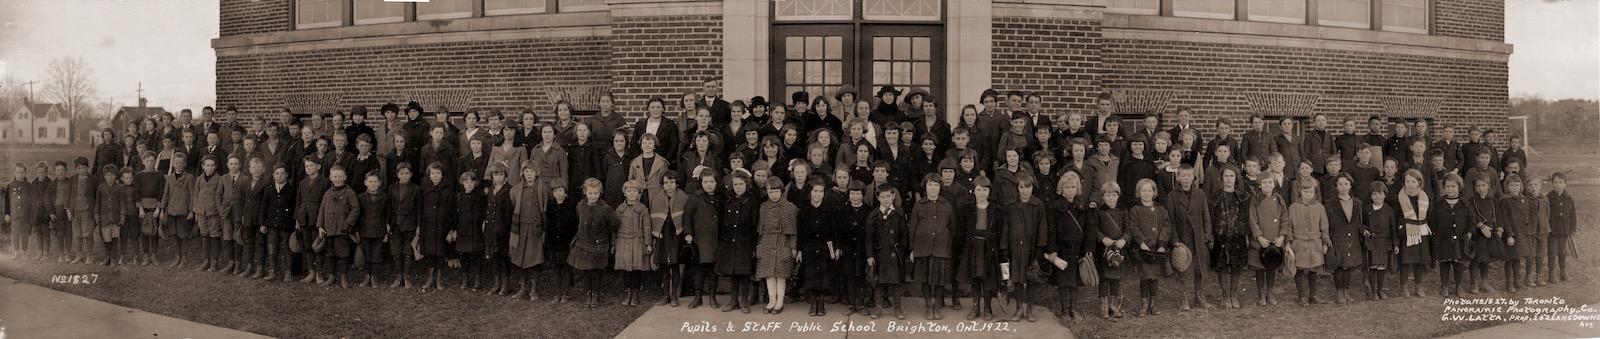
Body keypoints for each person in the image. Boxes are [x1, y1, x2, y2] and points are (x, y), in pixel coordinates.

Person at [1002, 174, 1049, 322]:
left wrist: (1040, 248)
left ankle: (1029, 309)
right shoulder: (1011, 205)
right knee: (1016, 278)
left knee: (1030, 278)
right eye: (1021, 187)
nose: (1025, 190)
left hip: (1031, 247)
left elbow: (1043, 227)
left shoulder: (1038, 205)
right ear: (1017, 188)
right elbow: (1006, 227)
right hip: (1015, 247)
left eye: (1028, 187)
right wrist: (1004, 247)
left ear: (1032, 187)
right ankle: (1018, 309)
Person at [910, 173, 955, 320]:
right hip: (923, 247)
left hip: (941, 248)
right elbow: (913, 228)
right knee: (925, 278)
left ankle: (937, 305)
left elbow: (952, 227)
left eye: (936, 185)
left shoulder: (947, 205)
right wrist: (912, 249)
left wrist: (948, 244)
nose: (933, 188)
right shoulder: (918, 205)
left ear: (940, 187)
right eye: (930, 185)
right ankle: (928, 305)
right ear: (925, 187)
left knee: (939, 279)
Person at [955, 176, 1001, 321]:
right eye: (979, 190)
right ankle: (975, 307)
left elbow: (999, 230)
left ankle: (987, 307)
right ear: (973, 191)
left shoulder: (996, 209)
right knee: (975, 277)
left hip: (988, 247)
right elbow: (961, 230)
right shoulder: (967, 208)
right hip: (973, 246)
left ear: (989, 191)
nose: (982, 193)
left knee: (987, 278)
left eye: (985, 190)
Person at [570, 178, 617, 308]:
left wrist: (605, 237)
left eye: (596, 193)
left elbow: (613, 224)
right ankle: (588, 294)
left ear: (600, 193)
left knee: (596, 271)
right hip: (584, 243)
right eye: (590, 193)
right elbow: (579, 220)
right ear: (585, 192)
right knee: (586, 271)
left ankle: (595, 295)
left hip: (599, 245)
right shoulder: (580, 206)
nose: (593, 196)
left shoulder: (606, 209)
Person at [1208, 165, 1250, 308]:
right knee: (1222, 266)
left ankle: (1233, 295)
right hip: (1221, 237)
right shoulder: (1215, 197)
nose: (1229, 179)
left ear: (1236, 178)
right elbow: (1212, 217)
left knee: (1236, 266)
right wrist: (1214, 235)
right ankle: (1225, 295)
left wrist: (1244, 234)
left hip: (1238, 236)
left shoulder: (1243, 196)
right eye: (1226, 176)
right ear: (1221, 178)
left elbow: (1245, 217)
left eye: (1232, 176)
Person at [717, 172, 760, 313]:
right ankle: (733, 300)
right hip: (730, 241)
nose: (738, 187)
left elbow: (755, 226)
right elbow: (722, 222)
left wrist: (754, 245)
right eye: (735, 184)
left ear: (746, 185)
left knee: (744, 272)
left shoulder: (752, 201)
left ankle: (744, 301)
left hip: (745, 242)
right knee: (733, 272)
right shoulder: (728, 200)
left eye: (741, 184)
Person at [755, 177, 798, 314]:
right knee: (769, 274)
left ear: (781, 191)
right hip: (767, 242)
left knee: (781, 274)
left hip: (783, 243)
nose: (773, 195)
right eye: (770, 192)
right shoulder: (763, 207)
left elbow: (793, 231)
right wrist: (759, 245)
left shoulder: (790, 208)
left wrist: (793, 247)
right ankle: (772, 300)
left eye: (776, 191)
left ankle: (780, 301)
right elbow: (760, 228)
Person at [681, 171, 721, 309]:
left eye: (712, 182)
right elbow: (687, 216)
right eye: (705, 182)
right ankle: (697, 297)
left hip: (716, 239)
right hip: (700, 239)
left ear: (716, 183)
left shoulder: (720, 198)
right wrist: (688, 233)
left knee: (713, 270)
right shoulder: (695, 198)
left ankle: (712, 296)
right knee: (699, 269)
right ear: (701, 183)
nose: (709, 185)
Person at [508, 160, 547, 299]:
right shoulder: (516, 190)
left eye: (532, 171)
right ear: (522, 173)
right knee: (520, 259)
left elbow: (545, 208)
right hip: (520, 229)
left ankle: (533, 290)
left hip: (535, 230)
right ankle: (523, 288)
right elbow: (513, 205)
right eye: (526, 171)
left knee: (534, 260)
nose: (529, 174)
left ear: (537, 173)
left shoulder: (542, 189)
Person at [1286, 180, 1329, 307]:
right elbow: (1288, 226)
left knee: (1313, 270)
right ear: (1300, 192)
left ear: (1314, 193)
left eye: (1311, 192)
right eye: (1305, 192)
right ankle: (1302, 296)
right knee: (1298, 269)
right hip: (1298, 243)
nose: (1308, 194)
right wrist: (1288, 242)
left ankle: (1313, 294)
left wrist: (1325, 242)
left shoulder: (1320, 207)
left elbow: (1324, 226)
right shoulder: (1293, 207)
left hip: (1315, 243)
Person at [1323, 173, 1365, 304]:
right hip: (1337, 237)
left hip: (1352, 238)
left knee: (1348, 265)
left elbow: (1359, 222)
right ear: (1336, 186)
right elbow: (1327, 223)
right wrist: (1327, 241)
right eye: (1340, 184)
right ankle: (1339, 292)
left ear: (1350, 185)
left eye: (1346, 184)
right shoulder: (1330, 203)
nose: (1343, 187)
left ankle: (1346, 291)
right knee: (1338, 265)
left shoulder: (1357, 203)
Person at [614, 180, 656, 306]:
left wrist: (648, 243)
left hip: (638, 241)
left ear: (639, 193)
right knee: (626, 269)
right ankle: (628, 292)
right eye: (629, 191)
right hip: (623, 241)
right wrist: (613, 243)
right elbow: (614, 227)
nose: (631, 193)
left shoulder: (642, 209)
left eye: (634, 191)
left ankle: (636, 293)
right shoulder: (620, 209)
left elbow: (647, 227)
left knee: (637, 268)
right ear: (625, 193)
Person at [317, 166, 360, 288]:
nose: (337, 179)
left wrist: (347, 223)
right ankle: (331, 277)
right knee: (330, 253)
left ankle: (343, 277)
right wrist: (320, 226)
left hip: (342, 229)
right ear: (330, 177)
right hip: (328, 228)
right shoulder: (327, 193)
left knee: (343, 253)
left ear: (345, 177)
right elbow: (322, 209)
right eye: (335, 177)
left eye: (340, 176)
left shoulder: (349, 192)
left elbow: (355, 209)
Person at [1430, 173, 1470, 298]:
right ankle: (1444, 286)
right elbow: (1433, 221)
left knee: (1458, 263)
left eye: (1453, 187)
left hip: (1459, 239)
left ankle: (1459, 286)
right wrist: (1436, 235)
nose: (1450, 189)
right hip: (1443, 239)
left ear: (1459, 187)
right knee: (1445, 263)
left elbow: (1471, 221)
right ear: (1444, 188)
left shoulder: (1465, 203)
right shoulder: (1439, 203)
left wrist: (1469, 233)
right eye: (1447, 187)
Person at [417, 163, 456, 291]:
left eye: (438, 173)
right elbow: (420, 209)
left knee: (439, 252)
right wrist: (419, 225)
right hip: (428, 225)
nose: (435, 176)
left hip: (442, 226)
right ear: (429, 175)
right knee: (429, 252)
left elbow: (452, 211)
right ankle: (430, 278)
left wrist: (451, 229)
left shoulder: (448, 189)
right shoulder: (424, 189)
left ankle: (439, 278)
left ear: (442, 175)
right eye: (433, 173)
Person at [1249, 176, 1287, 306]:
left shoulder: (1279, 200)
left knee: (1272, 267)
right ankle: (1261, 294)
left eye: (1270, 182)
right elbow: (1253, 220)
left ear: (1274, 184)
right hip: (1260, 242)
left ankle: (1270, 293)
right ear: (1260, 185)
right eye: (1264, 182)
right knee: (1259, 268)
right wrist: (1259, 237)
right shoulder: (1255, 199)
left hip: (1275, 241)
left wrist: (1282, 236)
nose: (1267, 185)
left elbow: (1285, 219)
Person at [1094, 181, 1130, 319]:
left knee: (1116, 278)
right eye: (1107, 195)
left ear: (1118, 196)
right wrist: (1102, 238)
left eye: (1114, 195)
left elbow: (1128, 229)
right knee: (1104, 278)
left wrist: (1124, 239)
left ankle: (1113, 305)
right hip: (1104, 250)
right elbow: (1094, 229)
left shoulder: (1122, 211)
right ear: (1102, 197)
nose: (1111, 198)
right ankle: (1103, 305)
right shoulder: (1099, 212)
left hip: (1118, 250)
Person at [1395, 169, 1432, 297]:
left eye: (1413, 181)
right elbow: (1397, 216)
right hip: (1407, 233)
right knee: (1406, 260)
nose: (1410, 184)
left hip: (1421, 231)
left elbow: (1428, 215)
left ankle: (1418, 286)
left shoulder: (1424, 197)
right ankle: (1404, 286)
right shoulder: (1400, 197)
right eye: (1407, 181)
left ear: (1419, 182)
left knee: (1419, 261)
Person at [355, 170, 390, 288]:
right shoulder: (360, 197)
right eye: (370, 181)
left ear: (380, 183)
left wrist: (386, 230)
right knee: (366, 255)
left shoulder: (385, 197)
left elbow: (387, 215)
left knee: (376, 255)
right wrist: (357, 231)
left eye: (375, 181)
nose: (373, 184)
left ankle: (374, 276)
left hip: (379, 230)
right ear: (365, 183)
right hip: (364, 230)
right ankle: (367, 276)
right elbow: (357, 215)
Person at [544, 183, 579, 303]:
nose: (558, 193)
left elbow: (574, 225)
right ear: (552, 193)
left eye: (560, 190)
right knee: (556, 268)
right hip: (554, 242)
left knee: (566, 268)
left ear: (565, 192)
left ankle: (565, 293)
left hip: (566, 242)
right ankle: (557, 293)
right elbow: (548, 224)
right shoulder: (550, 205)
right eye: (555, 191)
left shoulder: (571, 205)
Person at [453, 170, 487, 291]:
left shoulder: (481, 196)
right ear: (462, 183)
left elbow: (484, 212)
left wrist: (483, 223)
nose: (469, 184)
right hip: (463, 229)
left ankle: (477, 280)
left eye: (472, 181)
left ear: (476, 182)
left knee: (476, 255)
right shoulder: (459, 196)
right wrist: (454, 230)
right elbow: (455, 215)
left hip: (475, 229)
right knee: (464, 256)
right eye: (466, 181)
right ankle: (465, 277)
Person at [261, 164, 297, 282]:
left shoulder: (291, 191)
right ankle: (272, 271)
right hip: (272, 225)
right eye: (277, 173)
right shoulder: (269, 190)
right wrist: (263, 223)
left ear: (287, 175)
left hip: (286, 225)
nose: (279, 176)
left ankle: (287, 272)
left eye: (282, 173)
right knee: (272, 247)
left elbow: (294, 208)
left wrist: (294, 223)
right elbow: (264, 207)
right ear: (273, 175)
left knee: (285, 247)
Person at [160, 152, 196, 267]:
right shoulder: (170, 178)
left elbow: (193, 195)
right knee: (174, 235)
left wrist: (191, 211)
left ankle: (184, 258)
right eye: (176, 163)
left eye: (181, 163)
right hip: (171, 211)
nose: (179, 165)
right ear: (173, 164)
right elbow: (165, 195)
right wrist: (162, 209)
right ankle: (177, 257)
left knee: (183, 235)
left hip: (184, 211)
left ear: (185, 164)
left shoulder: (189, 177)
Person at [1498, 174, 1532, 293]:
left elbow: (1526, 216)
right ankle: (1509, 283)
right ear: (1507, 186)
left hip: (1521, 234)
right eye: (1511, 185)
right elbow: (1505, 219)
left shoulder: (1523, 199)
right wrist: (1509, 235)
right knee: (1510, 259)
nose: (1514, 188)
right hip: (1511, 234)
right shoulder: (1505, 200)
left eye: (1517, 185)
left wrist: (1527, 232)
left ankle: (1517, 281)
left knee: (1517, 258)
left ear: (1521, 186)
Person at [1364, 182, 1396, 300]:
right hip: (1372, 242)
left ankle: (1380, 290)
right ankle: (1373, 292)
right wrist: (1364, 231)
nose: (1377, 196)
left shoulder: (1389, 210)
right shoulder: (1366, 209)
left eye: (1380, 194)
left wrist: (1395, 244)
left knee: (1382, 267)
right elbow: (1361, 224)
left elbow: (1393, 228)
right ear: (1371, 195)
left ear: (1385, 195)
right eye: (1374, 194)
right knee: (1373, 267)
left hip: (1384, 242)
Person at [1546, 172, 1574, 284]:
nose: (1558, 185)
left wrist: (1571, 229)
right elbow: (1546, 214)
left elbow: (1573, 215)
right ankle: (1551, 273)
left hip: (1564, 230)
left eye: (1561, 182)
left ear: (1565, 184)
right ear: (1552, 183)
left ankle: (1563, 271)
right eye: (1555, 182)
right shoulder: (1548, 197)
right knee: (1552, 252)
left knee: (1562, 251)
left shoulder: (1568, 198)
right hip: (1553, 230)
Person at [1526, 176, 1551, 287]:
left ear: (1540, 186)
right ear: (1527, 187)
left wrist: (1544, 226)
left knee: (1540, 254)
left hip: (1543, 231)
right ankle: (1528, 277)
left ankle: (1539, 276)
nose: (1533, 187)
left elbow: (1547, 214)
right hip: (1531, 231)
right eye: (1531, 185)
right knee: (1531, 255)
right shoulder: (1525, 199)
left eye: (1536, 185)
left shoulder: (1544, 199)